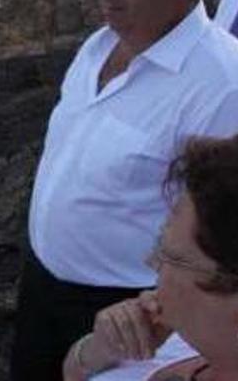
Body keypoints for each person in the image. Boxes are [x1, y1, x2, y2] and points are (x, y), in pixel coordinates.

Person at [10, 0, 238, 380]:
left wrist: (171, 336)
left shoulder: (223, 85)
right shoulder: (97, 47)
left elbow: (224, 245)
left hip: (131, 319)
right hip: (41, 289)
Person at [63, 134, 238, 380]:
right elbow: (73, 374)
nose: (152, 264)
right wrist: (102, 348)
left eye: (170, 257)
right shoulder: (182, 338)